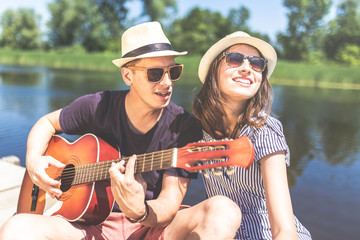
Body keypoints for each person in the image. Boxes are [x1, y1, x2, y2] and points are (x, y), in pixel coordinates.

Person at [0, 22, 241, 240]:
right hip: (89, 226)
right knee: (16, 228)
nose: (167, 82)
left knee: (223, 210)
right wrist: (32, 161)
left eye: (173, 71)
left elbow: (168, 204)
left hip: (150, 226)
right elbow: (46, 123)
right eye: (155, 74)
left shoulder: (182, 126)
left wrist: (140, 212)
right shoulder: (98, 106)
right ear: (128, 75)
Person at [192, 31, 312, 239]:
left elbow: (284, 228)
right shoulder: (198, 130)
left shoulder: (265, 130)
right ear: (214, 71)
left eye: (256, 63)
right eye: (235, 59)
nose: (247, 68)